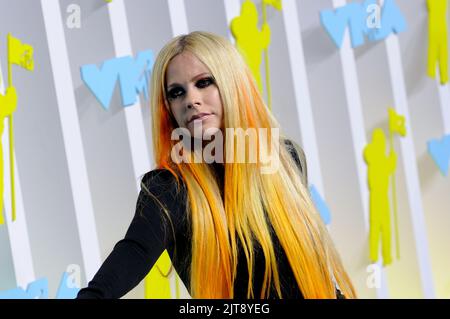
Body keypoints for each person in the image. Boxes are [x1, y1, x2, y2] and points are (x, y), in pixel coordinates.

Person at [77, 31, 356, 299]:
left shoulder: (285, 158)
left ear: (232, 83)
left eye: (203, 82)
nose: (191, 100)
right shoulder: (169, 189)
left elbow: (315, 273)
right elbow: (133, 252)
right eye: (176, 92)